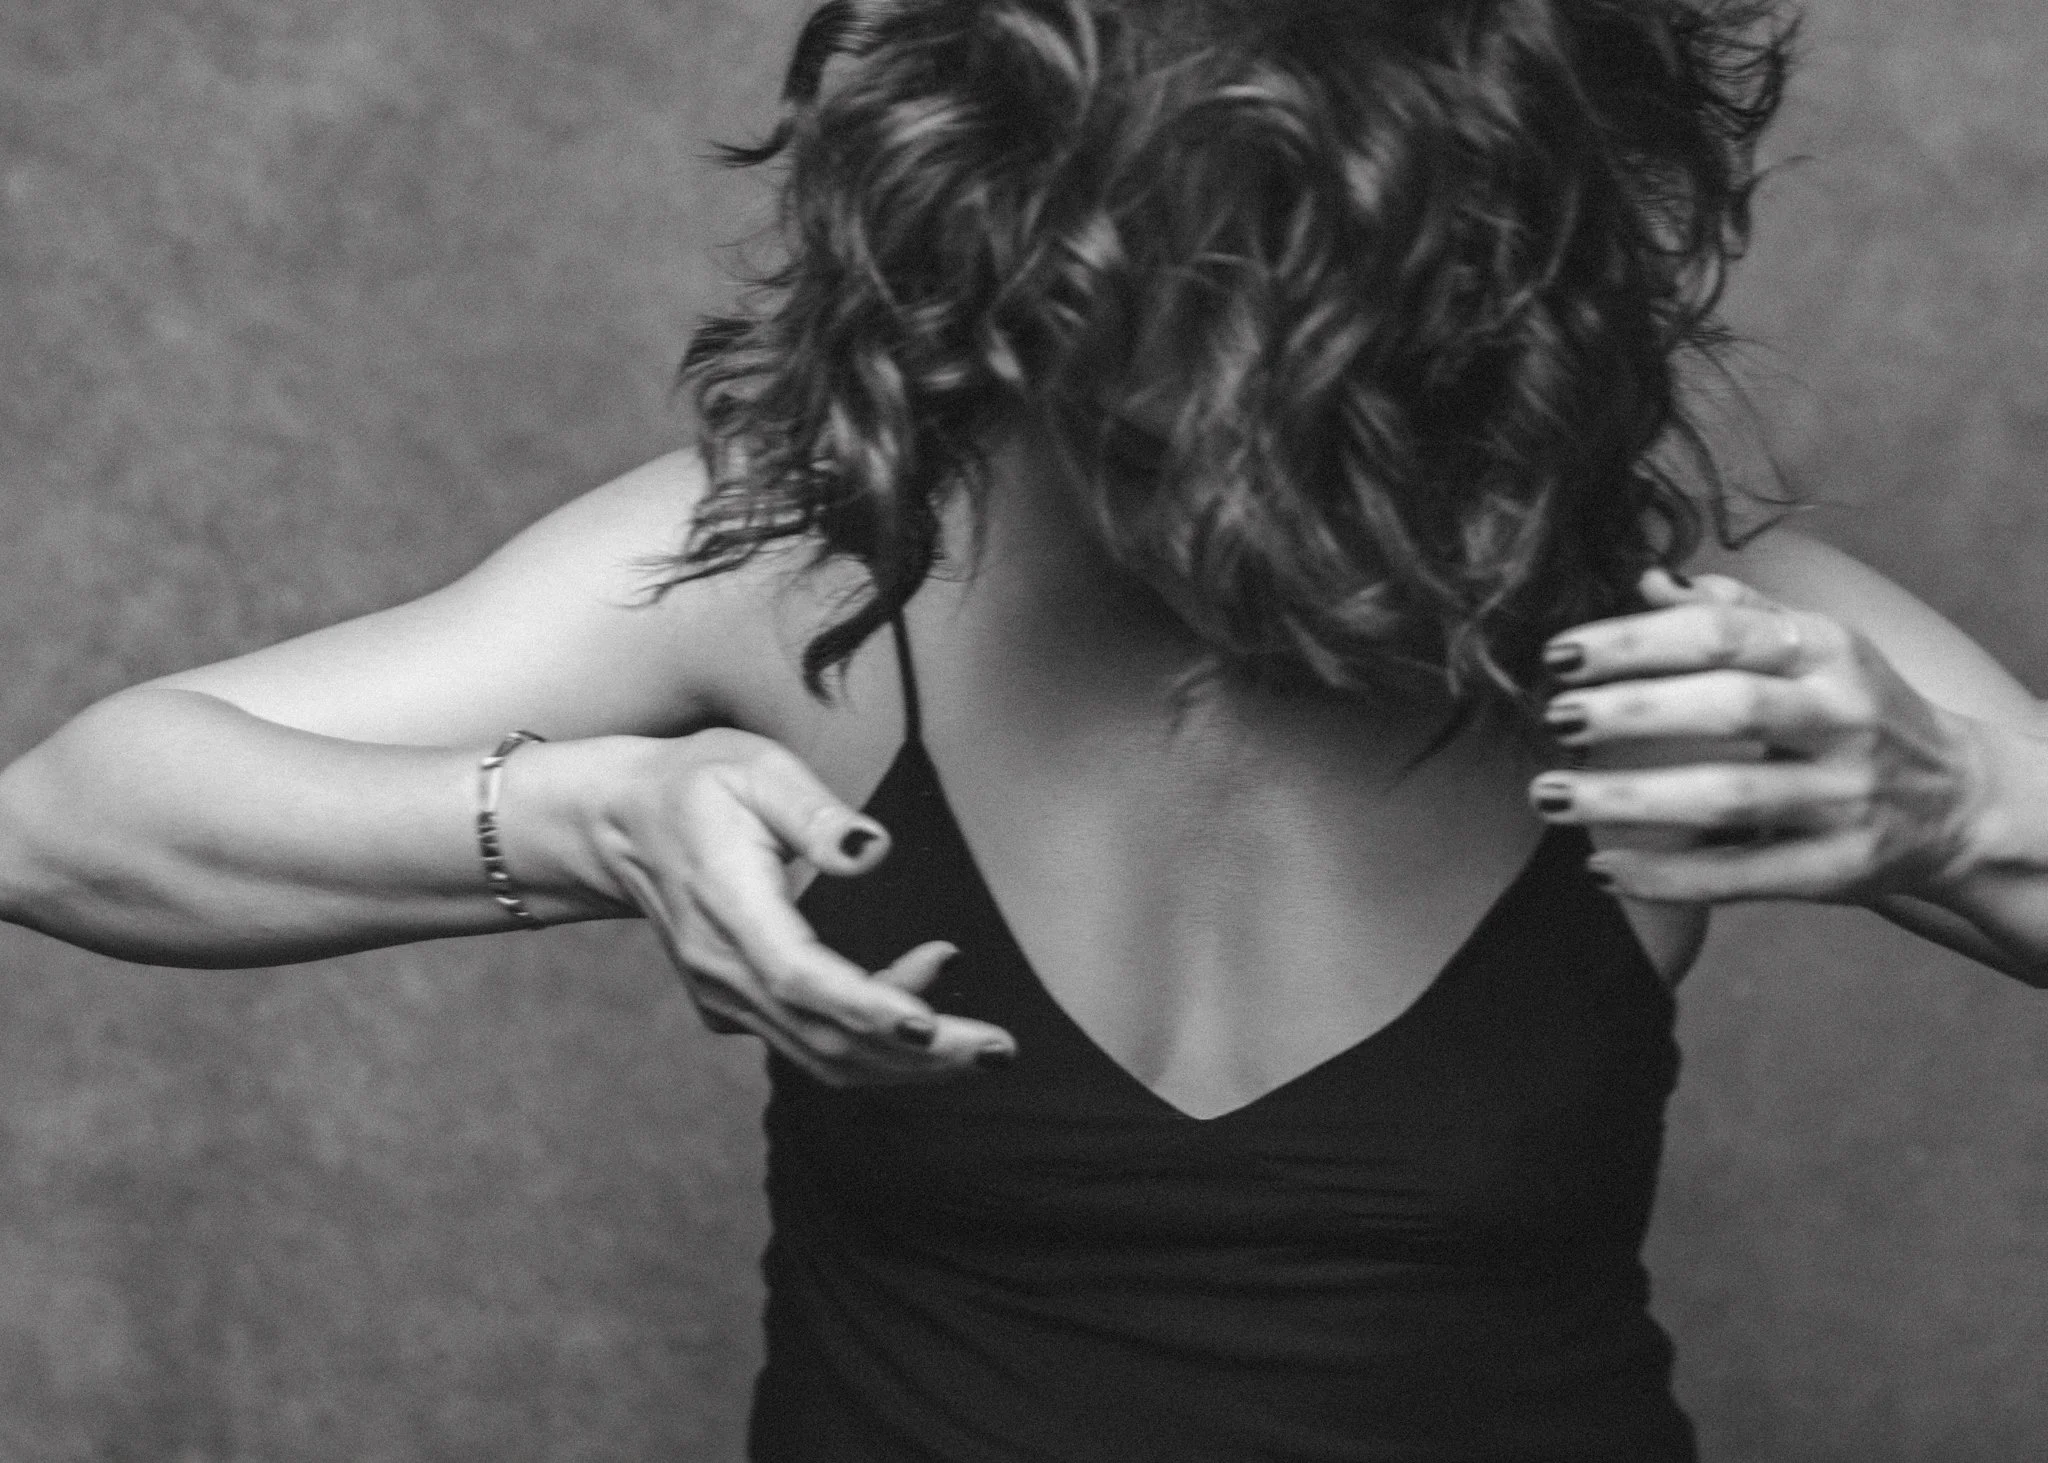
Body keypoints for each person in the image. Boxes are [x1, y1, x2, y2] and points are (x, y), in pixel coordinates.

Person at [2, 0, 2044, 1457]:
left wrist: (1957, 803)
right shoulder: (804, 569)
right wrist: (585, 818)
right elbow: (62, 820)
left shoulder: (1696, 634)